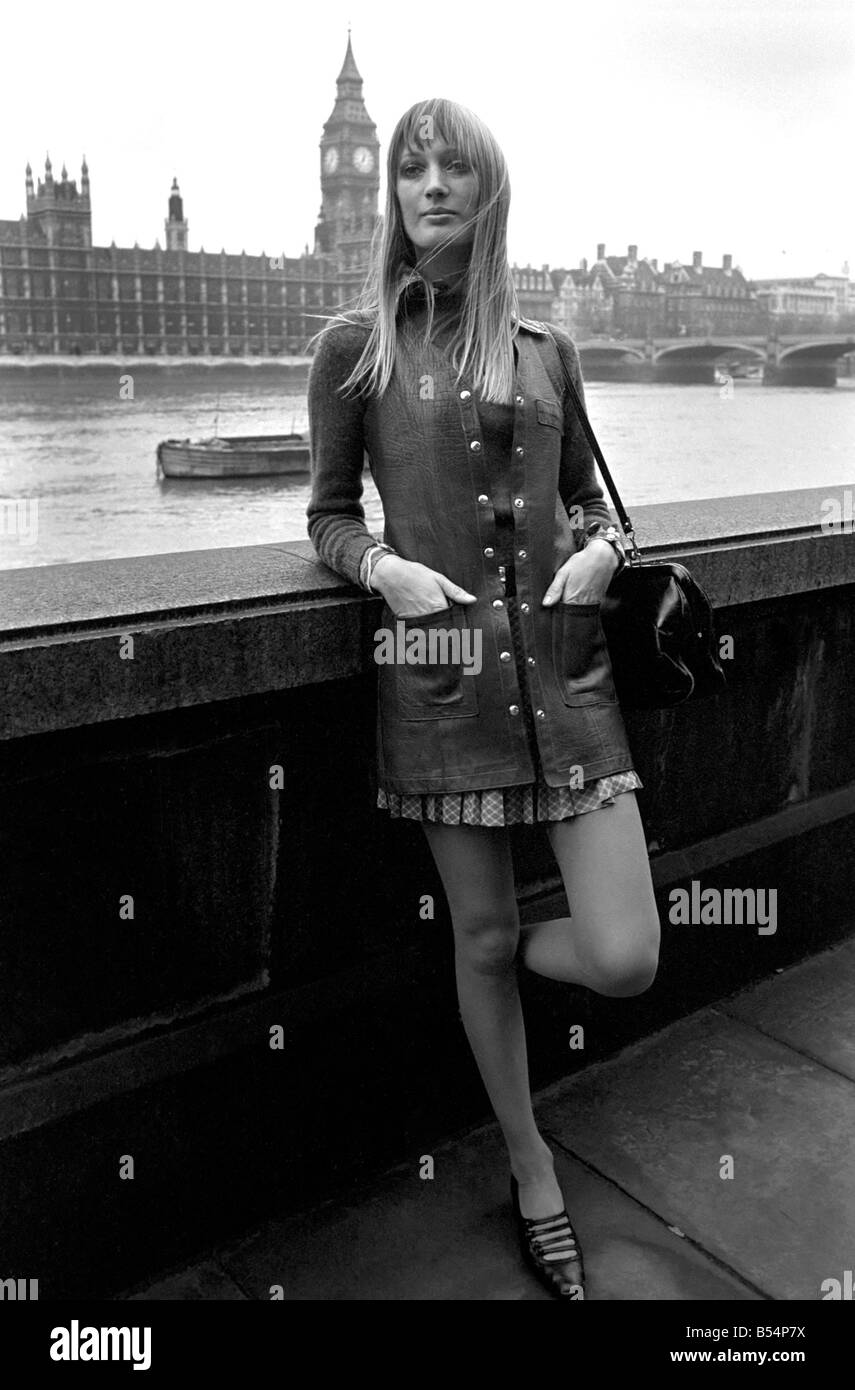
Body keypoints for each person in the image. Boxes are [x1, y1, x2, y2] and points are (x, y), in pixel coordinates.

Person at [306, 97, 661, 1301]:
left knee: (624, 955)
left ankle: (501, 983)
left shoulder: (549, 349)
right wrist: (381, 567)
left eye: (456, 166)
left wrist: (605, 552)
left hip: (568, 680)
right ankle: (532, 1166)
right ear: (388, 193)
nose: (433, 184)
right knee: (487, 939)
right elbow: (326, 514)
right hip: (442, 684)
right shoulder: (354, 348)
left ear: (488, 190)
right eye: (413, 169)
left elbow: (603, 504)